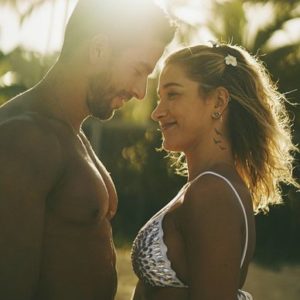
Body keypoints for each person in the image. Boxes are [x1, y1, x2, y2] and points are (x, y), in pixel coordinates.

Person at [0, 0, 175, 299]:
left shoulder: (68, 131)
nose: (140, 91)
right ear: (98, 50)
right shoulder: (26, 138)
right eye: (138, 70)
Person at [131, 42, 299, 300]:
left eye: (173, 95)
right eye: (159, 98)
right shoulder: (204, 186)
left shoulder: (212, 193)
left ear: (218, 101)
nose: (157, 112)